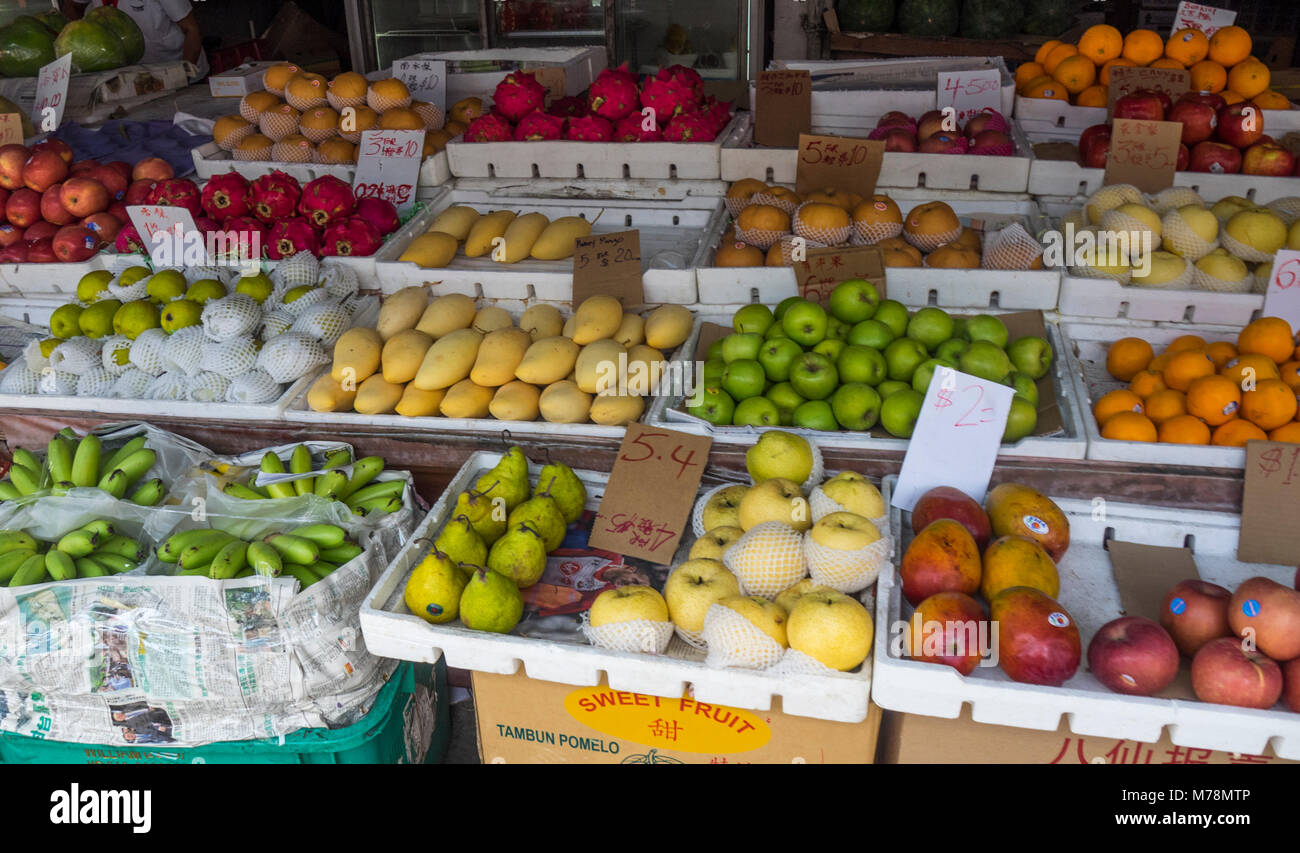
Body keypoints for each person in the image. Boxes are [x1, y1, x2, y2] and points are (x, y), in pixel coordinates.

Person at [61, 0, 209, 78]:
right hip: (136, 78)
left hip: (181, 70)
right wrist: (81, 35)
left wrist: (184, 76)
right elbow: (73, 6)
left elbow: (192, 31)